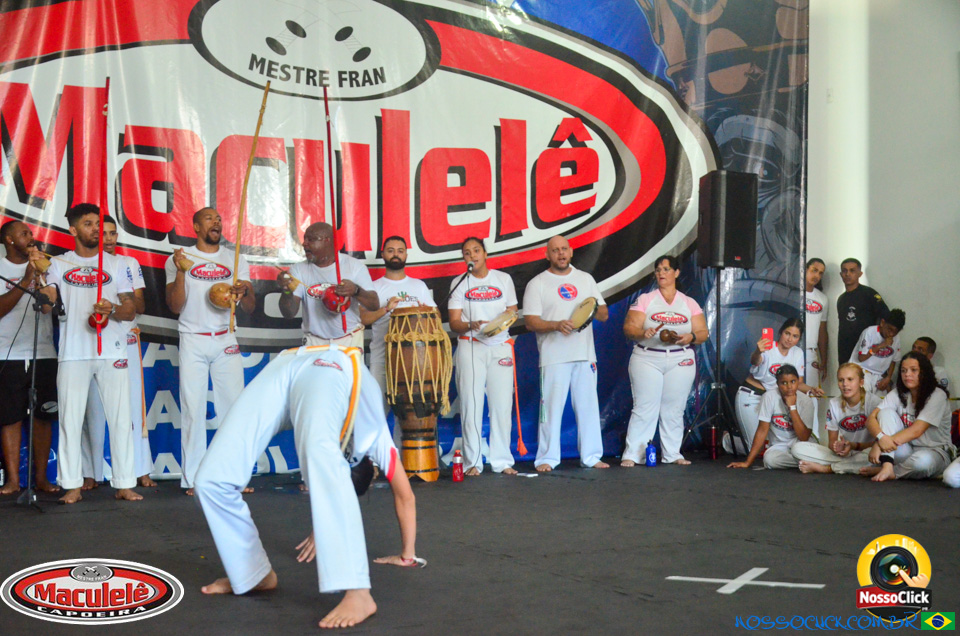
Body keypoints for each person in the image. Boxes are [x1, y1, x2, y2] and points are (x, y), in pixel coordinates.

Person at [194, 345, 421, 630]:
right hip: (323, 362)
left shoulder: (331, 451)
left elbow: (331, 480)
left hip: (299, 376)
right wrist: (407, 554)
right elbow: (406, 496)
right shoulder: (376, 439)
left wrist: (324, 524)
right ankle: (252, 574)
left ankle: (358, 592)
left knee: (315, 451)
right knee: (211, 481)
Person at [39, 204, 141, 504]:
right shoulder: (58, 264)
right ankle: (72, 485)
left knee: (121, 420)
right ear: (73, 230)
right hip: (73, 351)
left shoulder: (117, 264)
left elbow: (131, 309)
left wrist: (113, 309)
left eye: (98, 223)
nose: (96, 229)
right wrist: (40, 280)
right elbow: (46, 305)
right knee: (70, 421)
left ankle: (124, 483)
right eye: (88, 224)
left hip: (112, 350)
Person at [164, 207, 255, 495]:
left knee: (233, 408)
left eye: (218, 218)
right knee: (193, 409)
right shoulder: (179, 258)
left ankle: (233, 477)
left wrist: (244, 291)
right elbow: (175, 306)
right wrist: (181, 272)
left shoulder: (235, 258)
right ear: (195, 227)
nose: (216, 222)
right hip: (193, 338)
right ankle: (194, 479)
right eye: (209, 218)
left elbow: (250, 307)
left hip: (225, 338)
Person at [523, 235, 610, 472]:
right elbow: (530, 322)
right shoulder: (537, 283)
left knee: (588, 408)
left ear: (571, 252)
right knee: (550, 410)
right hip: (553, 357)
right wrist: (556, 325)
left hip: (584, 354)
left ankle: (591, 456)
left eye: (564, 249)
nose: (560, 253)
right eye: (555, 250)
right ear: (547, 255)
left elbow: (603, 314)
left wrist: (588, 310)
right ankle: (547, 458)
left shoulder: (585, 279)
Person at [80, 217, 155, 489]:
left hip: (125, 339)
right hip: (92, 339)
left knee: (132, 408)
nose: (109, 238)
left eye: (113, 233)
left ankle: (140, 469)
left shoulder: (128, 263)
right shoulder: (81, 264)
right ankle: (91, 472)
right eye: (104, 233)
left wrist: (118, 302)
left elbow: (140, 306)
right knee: (92, 408)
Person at [621, 255, 708, 466]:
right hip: (647, 357)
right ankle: (634, 454)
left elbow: (703, 332)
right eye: (658, 269)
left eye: (666, 269)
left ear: (676, 273)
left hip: (680, 358)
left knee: (674, 408)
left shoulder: (689, 303)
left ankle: (672, 454)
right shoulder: (646, 299)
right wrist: (643, 332)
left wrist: (690, 337)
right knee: (645, 407)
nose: (661, 273)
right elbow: (629, 328)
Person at [448, 237, 518, 475]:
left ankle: (502, 461)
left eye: (476, 250)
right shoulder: (459, 283)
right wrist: (471, 324)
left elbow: (512, 311)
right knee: (471, 403)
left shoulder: (503, 279)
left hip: (500, 345)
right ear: (464, 258)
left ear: (485, 254)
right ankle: (473, 462)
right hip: (471, 345)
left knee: (502, 405)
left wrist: (498, 326)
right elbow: (454, 322)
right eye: (467, 253)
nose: (472, 256)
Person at [0, 220, 59, 494]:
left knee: (42, 416)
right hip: (7, 354)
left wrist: (40, 276)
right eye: (24, 234)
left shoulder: (46, 266)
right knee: (10, 417)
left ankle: (41, 479)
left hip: (43, 352)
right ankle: (13, 480)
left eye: (31, 233)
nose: (31, 237)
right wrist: (24, 280)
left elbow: (49, 308)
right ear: (10, 240)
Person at [360, 235, 435, 424]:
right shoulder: (374, 288)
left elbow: (436, 317)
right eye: (391, 250)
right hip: (382, 360)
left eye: (400, 251)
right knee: (375, 415)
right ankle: (376, 446)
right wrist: (386, 309)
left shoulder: (419, 286)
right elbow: (363, 318)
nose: (396, 254)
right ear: (383, 254)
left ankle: (401, 445)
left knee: (409, 418)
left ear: (406, 255)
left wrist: (424, 312)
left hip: (414, 362)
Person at [277, 222, 378, 348]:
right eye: (305, 239)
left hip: (349, 340)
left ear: (327, 240)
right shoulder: (298, 270)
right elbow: (289, 313)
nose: (304, 244)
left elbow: (374, 305)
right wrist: (286, 291)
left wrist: (356, 290)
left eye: (311, 239)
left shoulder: (354, 266)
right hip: (314, 342)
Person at [861, 351, 953, 482]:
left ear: (924, 372)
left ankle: (893, 471)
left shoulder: (937, 395)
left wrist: (878, 445)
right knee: (885, 412)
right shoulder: (897, 393)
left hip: (935, 452)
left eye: (913, 370)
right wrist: (880, 438)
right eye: (903, 371)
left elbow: (916, 430)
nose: (907, 374)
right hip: (905, 449)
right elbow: (871, 419)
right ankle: (887, 466)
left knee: (921, 463)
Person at [734, 317, 823, 452]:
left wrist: (812, 389)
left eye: (795, 336)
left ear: (799, 339)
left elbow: (798, 383)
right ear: (781, 332)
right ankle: (726, 440)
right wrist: (758, 351)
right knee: (753, 448)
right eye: (787, 333)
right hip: (752, 396)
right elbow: (755, 361)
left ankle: (813, 443)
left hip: (773, 398)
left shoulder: (797, 353)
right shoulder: (768, 347)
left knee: (770, 446)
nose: (790, 339)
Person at [793, 363, 883, 474]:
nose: (845, 384)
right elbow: (832, 443)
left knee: (876, 455)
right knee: (797, 449)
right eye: (841, 380)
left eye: (850, 379)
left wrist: (854, 446)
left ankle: (827, 468)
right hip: (846, 455)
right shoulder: (834, 403)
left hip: (866, 452)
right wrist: (839, 447)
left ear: (861, 382)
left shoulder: (874, 403)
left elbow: (880, 443)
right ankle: (847, 466)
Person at [727, 365, 815, 469]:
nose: (789, 386)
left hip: (800, 444)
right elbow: (762, 430)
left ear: (798, 382)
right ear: (777, 384)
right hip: (779, 446)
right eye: (784, 383)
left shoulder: (806, 401)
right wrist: (747, 462)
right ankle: (809, 463)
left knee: (798, 449)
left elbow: (804, 437)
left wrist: (792, 408)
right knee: (769, 460)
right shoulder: (769, 397)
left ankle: (807, 461)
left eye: (793, 381)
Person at [836, 258, 888, 364]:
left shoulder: (869, 294)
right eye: (844, 271)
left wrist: (882, 343)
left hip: (866, 352)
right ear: (841, 274)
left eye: (852, 270)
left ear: (860, 274)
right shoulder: (841, 299)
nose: (847, 274)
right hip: (845, 351)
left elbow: (886, 317)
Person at [850, 308, 905, 395]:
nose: (891, 334)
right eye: (889, 329)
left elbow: (894, 360)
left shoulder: (896, 338)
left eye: (895, 332)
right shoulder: (870, 332)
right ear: (882, 323)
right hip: (860, 370)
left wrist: (888, 378)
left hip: (878, 375)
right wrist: (880, 346)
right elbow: (861, 358)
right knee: (863, 397)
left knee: (883, 399)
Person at [803, 258, 828, 388]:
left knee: (811, 394)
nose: (817, 275)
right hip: (790, 349)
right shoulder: (792, 293)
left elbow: (822, 331)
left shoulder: (822, 299)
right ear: (805, 269)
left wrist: (824, 360)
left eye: (820, 273)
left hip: (811, 352)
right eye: (814, 270)